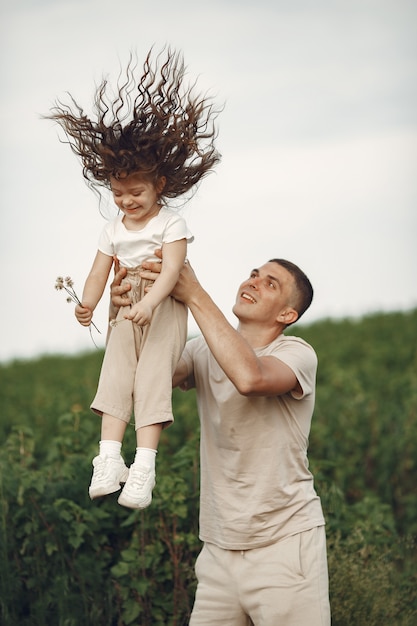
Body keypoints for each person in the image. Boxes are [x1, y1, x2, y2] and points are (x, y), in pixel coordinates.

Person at [111, 253, 331, 625]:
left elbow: (251, 379)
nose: (253, 282)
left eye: (270, 283)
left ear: (287, 316)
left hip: (284, 545)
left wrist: (195, 294)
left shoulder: (296, 353)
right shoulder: (201, 351)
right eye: (254, 274)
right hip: (217, 551)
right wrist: (124, 310)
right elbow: (136, 375)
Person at [46, 48, 220, 509]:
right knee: (116, 374)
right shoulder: (111, 229)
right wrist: (87, 304)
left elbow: (173, 272)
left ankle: (144, 465)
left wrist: (149, 302)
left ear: (159, 185)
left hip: (161, 303)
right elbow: (99, 270)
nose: (126, 201)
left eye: (136, 192)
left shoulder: (172, 224)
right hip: (125, 306)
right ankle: (108, 458)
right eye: (118, 193)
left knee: (151, 379)